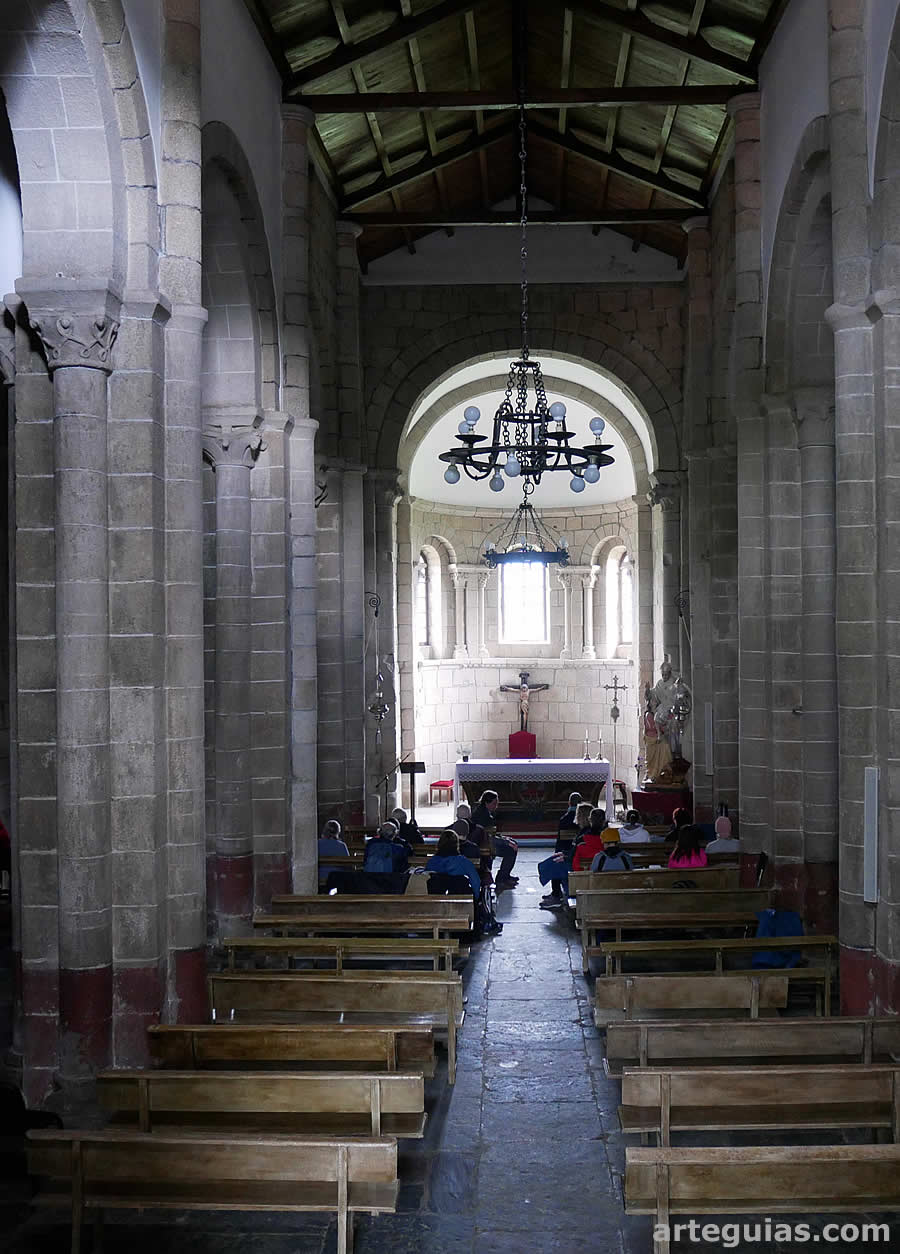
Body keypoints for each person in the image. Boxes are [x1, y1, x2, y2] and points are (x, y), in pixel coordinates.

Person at [471, 789, 518, 889]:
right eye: (494, 803)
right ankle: (501, 879)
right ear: (487, 803)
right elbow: (489, 837)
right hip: (484, 844)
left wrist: (506, 839)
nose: (496, 806)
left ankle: (505, 876)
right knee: (510, 850)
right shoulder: (483, 815)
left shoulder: (482, 811)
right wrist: (507, 842)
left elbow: (491, 833)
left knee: (513, 842)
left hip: (486, 841)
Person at [426, 829, 481, 896]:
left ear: (439, 844)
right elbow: (476, 882)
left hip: (436, 900)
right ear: (457, 845)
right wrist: (475, 898)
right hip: (461, 899)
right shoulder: (464, 862)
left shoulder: (431, 862)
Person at [317, 819, 349, 886]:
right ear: (338, 832)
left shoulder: (317, 843)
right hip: (337, 877)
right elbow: (348, 864)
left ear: (324, 831)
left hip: (320, 875)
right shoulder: (342, 845)